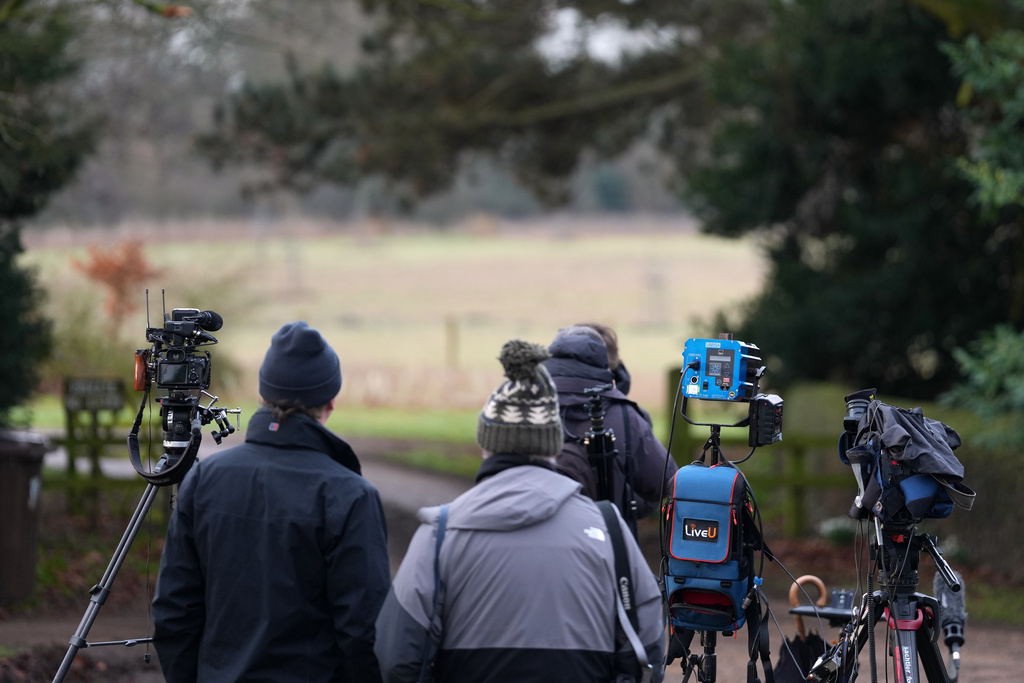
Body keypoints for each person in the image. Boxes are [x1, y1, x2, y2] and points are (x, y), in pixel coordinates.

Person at [374, 339, 665, 683]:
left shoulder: (439, 534)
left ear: (486, 445)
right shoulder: (608, 530)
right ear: (554, 446)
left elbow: (397, 659)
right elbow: (648, 649)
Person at [152, 321, 391, 683]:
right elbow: (364, 632)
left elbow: (175, 613)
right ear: (329, 402)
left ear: (263, 396)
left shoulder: (204, 480)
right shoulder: (349, 495)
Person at [544, 323, 677, 521]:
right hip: (601, 536)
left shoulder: (524, 405)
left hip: (527, 534)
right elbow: (666, 482)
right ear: (608, 366)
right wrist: (624, 504)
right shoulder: (623, 415)